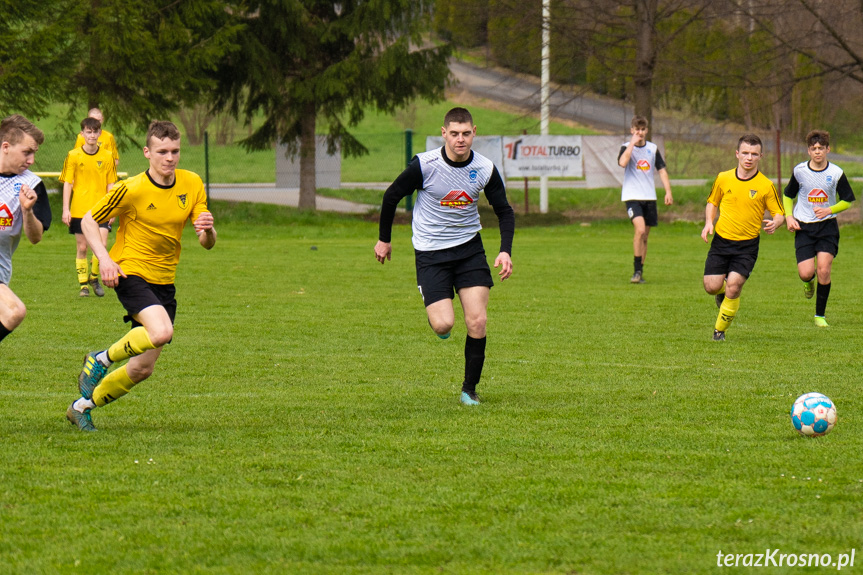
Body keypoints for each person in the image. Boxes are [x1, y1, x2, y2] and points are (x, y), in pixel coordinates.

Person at [66, 120, 216, 431]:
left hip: (165, 280)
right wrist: (104, 260)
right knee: (162, 332)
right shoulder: (131, 188)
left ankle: (81, 407)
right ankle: (100, 359)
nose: (170, 158)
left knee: (141, 369)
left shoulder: (192, 183)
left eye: (175, 151)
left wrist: (208, 229)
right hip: (129, 270)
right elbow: (90, 222)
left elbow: (206, 243)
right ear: (148, 152)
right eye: (162, 151)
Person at [374, 107, 514, 406]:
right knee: (443, 325)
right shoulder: (425, 165)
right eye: (454, 134)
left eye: (465, 134)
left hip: (469, 251)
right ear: (444, 133)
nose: (460, 140)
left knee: (477, 321)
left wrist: (505, 250)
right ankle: (435, 310)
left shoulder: (486, 169)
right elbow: (391, 196)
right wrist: (384, 240)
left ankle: (469, 389)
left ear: (474, 132)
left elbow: (504, 210)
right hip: (431, 253)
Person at [701, 134, 785, 341]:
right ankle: (723, 292)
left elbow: (779, 213)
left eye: (754, 154)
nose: (749, 158)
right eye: (745, 153)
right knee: (711, 287)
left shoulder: (765, 185)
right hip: (721, 241)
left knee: (735, 285)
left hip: (747, 246)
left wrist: (776, 222)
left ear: (761, 156)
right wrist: (709, 222)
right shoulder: (723, 178)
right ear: (737, 154)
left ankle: (719, 331)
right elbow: (712, 202)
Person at [783, 130, 856, 327]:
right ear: (808, 151)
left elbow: (848, 200)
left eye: (821, 148)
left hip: (827, 228)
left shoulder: (836, 173)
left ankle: (820, 316)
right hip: (804, 227)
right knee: (806, 273)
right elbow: (788, 195)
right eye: (814, 149)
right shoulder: (800, 172)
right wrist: (789, 217)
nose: (817, 152)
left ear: (827, 150)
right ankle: (808, 282)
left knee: (824, 269)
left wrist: (829, 210)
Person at [0, 115, 52, 345]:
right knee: (14, 312)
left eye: (34, 154)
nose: (31, 160)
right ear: (6, 147)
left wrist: (27, 211)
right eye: (27, 152)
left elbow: (35, 237)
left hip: (2, 273)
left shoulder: (31, 185)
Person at [60, 116, 118, 297]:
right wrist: (65, 209)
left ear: (100, 134)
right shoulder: (73, 155)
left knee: (101, 245)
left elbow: (111, 185)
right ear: (82, 133)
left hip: (101, 208)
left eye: (95, 132)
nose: (92, 135)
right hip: (79, 209)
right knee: (83, 247)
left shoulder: (107, 156)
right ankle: (83, 285)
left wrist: (112, 208)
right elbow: (68, 183)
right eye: (88, 132)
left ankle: (94, 277)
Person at [618, 115, 673, 284]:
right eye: (637, 129)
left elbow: (662, 171)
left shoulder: (652, 149)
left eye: (642, 130)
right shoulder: (626, 147)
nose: (640, 132)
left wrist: (668, 191)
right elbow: (622, 163)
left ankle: (639, 271)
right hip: (632, 196)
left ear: (647, 131)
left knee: (645, 237)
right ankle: (636, 271)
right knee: (640, 230)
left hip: (649, 197)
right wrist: (632, 144)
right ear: (632, 130)